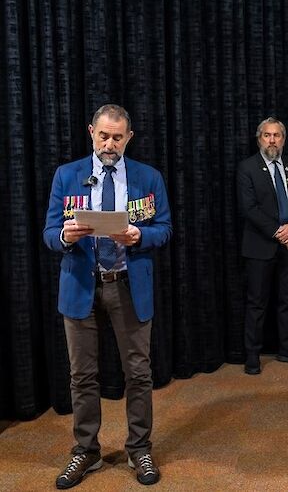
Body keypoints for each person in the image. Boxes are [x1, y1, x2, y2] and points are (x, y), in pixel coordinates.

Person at [43, 104, 172, 488]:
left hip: (129, 286)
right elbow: (49, 232)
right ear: (91, 132)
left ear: (129, 137)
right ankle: (86, 451)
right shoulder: (67, 176)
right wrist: (65, 236)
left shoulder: (149, 177)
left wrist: (141, 236)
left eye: (118, 137)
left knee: (138, 372)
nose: (110, 143)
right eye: (103, 135)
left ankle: (139, 448)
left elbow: (165, 228)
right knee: (82, 375)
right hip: (81, 287)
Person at [237, 117, 288, 375]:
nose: (272, 140)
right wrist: (282, 233)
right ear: (259, 139)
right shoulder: (247, 168)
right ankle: (252, 355)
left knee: (287, 300)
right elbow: (249, 209)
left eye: (277, 135)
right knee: (257, 303)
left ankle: (287, 348)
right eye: (267, 135)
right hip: (261, 246)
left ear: (283, 139)